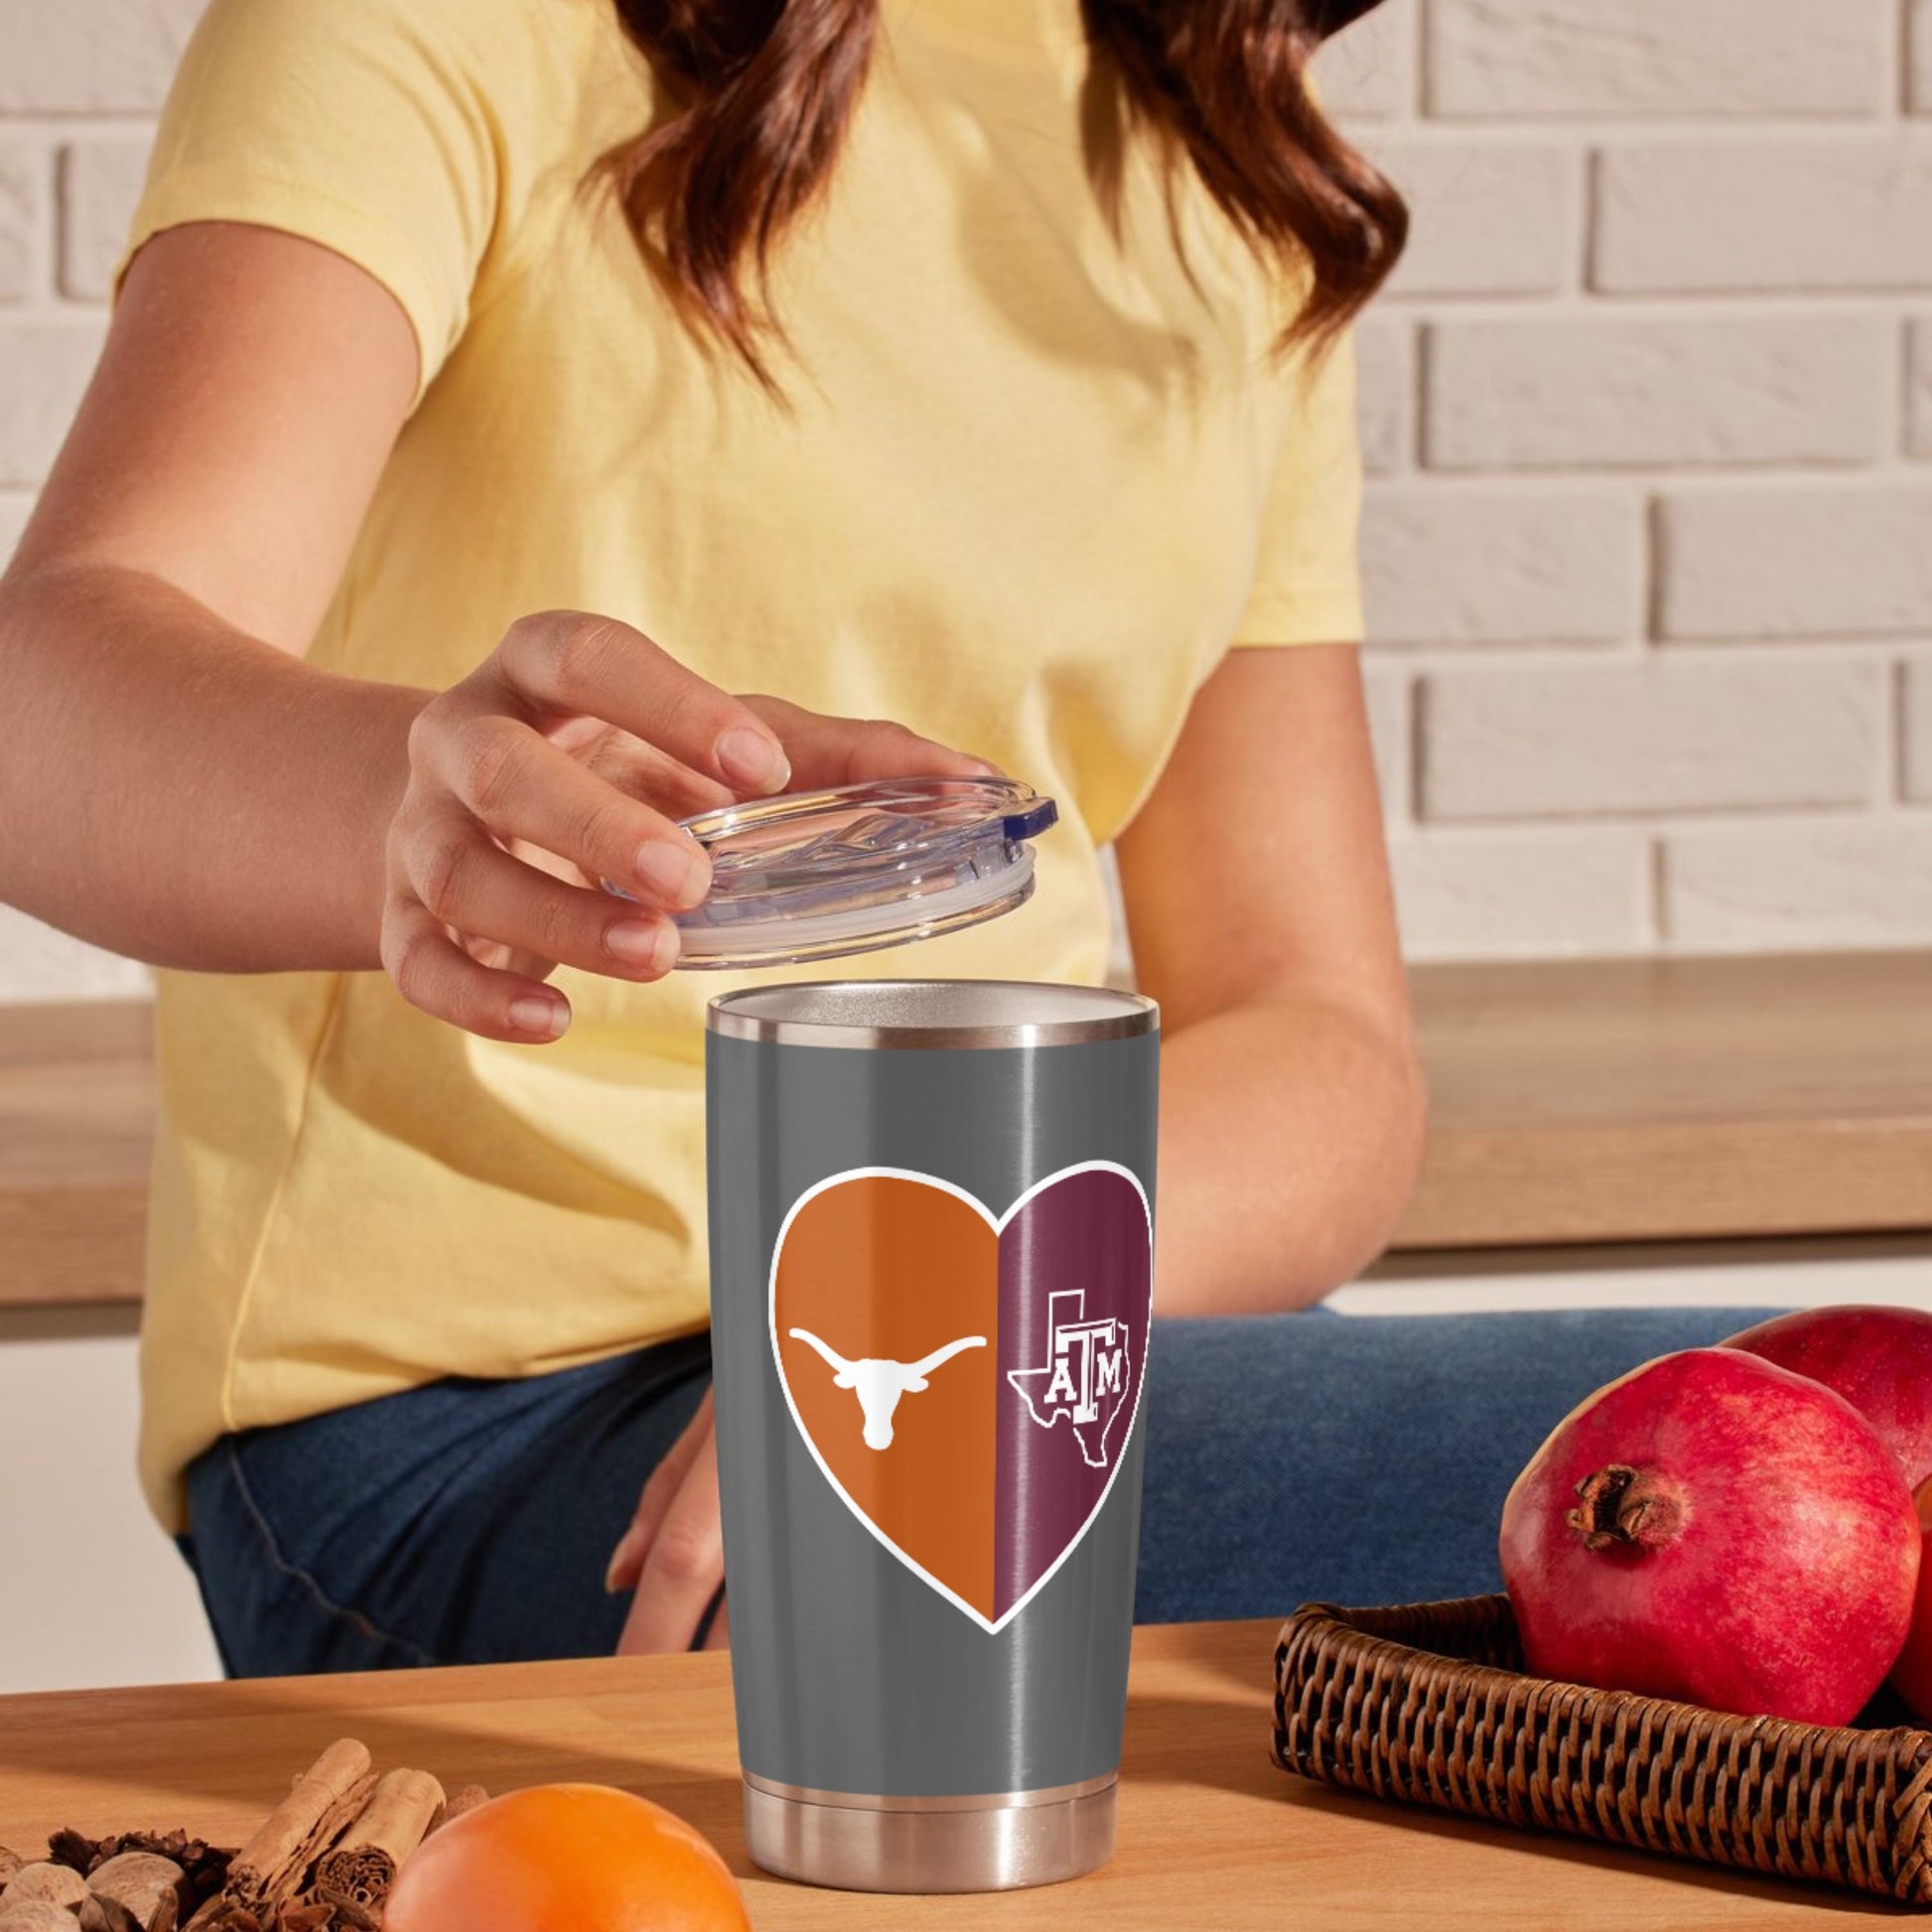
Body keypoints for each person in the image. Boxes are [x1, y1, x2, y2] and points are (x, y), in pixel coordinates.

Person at [0, 0, 1756, 1676]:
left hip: (1010, 1344)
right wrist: (415, 807)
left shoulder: (1227, 183)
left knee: (1801, 1478)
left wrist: (980, 1286)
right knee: (1796, 1491)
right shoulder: (459, 29)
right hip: (494, 1427)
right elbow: (52, 693)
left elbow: (1324, 1044)